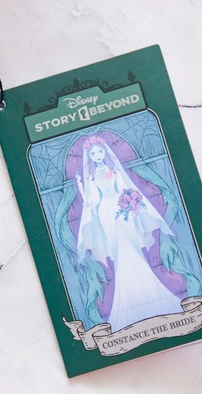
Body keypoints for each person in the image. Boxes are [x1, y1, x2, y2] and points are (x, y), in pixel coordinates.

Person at [75, 135, 183, 331]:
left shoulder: (114, 169)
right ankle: (123, 300)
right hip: (106, 213)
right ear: (89, 157)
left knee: (133, 247)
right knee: (117, 252)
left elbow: (124, 188)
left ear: (105, 151)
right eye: (93, 153)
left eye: (100, 151)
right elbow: (94, 199)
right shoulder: (91, 176)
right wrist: (86, 197)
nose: (97, 155)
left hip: (121, 209)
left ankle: (152, 290)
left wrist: (131, 201)